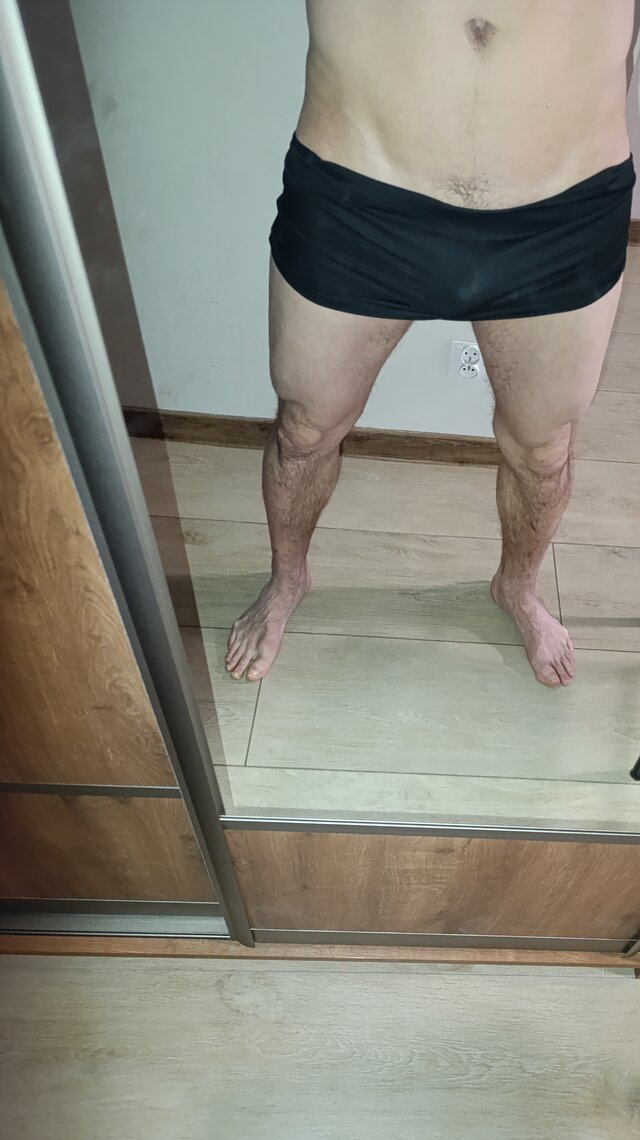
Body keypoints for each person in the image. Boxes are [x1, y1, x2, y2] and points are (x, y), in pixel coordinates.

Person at [226, 0, 639, 688]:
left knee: (543, 451)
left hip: (564, 207)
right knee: (304, 432)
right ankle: (287, 576)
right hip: (357, 191)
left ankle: (517, 587)